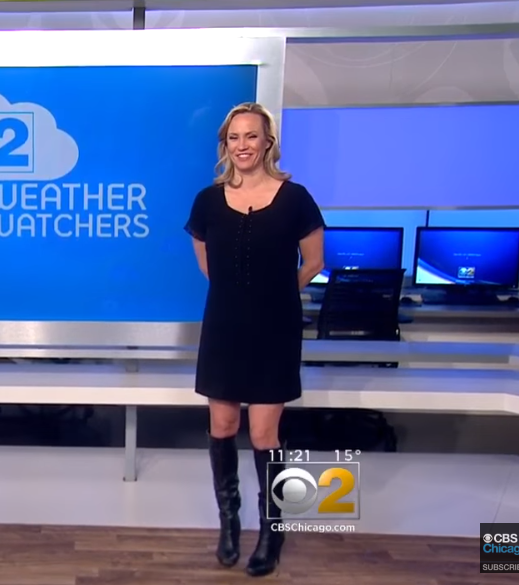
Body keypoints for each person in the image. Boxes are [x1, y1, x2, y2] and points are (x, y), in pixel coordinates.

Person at [184, 102, 325, 577]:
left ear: (268, 142)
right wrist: (240, 295)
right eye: (234, 137)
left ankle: (272, 532)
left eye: (251, 136)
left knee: (265, 433)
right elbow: (208, 265)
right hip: (224, 326)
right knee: (222, 425)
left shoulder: (296, 198)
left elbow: (314, 262)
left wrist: (277, 294)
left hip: (274, 328)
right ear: (225, 146)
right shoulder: (207, 201)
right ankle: (229, 523)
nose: (242, 145)